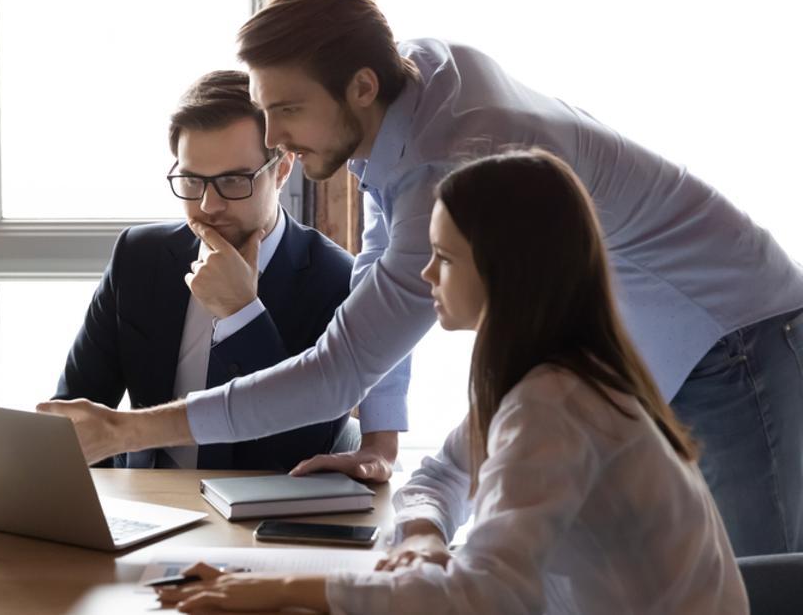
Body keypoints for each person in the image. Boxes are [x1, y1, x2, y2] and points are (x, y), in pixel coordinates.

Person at [39, 0, 803, 556]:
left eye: (287, 110)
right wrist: (382, 441)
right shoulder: (419, 83)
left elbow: (338, 365)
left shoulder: (453, 160)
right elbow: (384, 280)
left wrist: (123, 429)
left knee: (756, 578)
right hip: (653, 335)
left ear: (361, 87)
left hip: (732, 329)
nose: (273, 138)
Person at [157, 150, 747, 614]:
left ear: (502, 271)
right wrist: (420, 535)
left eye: (444, 256)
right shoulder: (548, 376)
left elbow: (482, 598)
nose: (425, 272)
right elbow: (437, 478)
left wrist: (279, 589)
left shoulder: (556, 403)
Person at [54, 70, 380, 470]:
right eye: (192, 181)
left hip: (254, 524)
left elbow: (294, 453)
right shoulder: (139, 256)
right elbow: (73, 414)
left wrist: (242, 314)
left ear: (282, 168)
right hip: (141, 508)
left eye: (232, 180)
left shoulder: (335, 280)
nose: (208, 205)